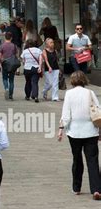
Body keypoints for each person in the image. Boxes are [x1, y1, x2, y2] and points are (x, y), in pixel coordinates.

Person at [58, 71, 101, 199]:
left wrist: (61, 128)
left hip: (74, 132)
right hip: (91, 131)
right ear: (84, 80)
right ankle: (96, 189)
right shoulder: (90, 93)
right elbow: (98, 111)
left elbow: (66, 114)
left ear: (72, 81)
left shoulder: (69, 94)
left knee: (77, 160)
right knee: (92, 160)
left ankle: (76, 187)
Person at [0, 32, 19, 101]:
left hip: (5, 64)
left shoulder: (2, 46)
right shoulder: (14, 46)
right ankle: (10, 95)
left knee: (4, 78)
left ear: (5, 37)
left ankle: (6, 88)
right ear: (11, 38)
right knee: (11, 80)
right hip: (12, 64)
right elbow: (16, 56)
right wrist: (17, 67)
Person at [42, 38, 60, 102]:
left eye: (53, 42)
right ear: (47, 44)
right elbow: (46, 60)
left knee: (55, 83)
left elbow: (57, 60)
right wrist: (49, 67)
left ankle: (55, 97)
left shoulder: (55, 51)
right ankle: (44, 91)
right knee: (50, 83)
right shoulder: (44, 51)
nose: (52, 44)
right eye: (51, 42)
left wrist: (59, 68)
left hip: (56, 68)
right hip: (48, 69)